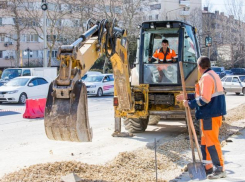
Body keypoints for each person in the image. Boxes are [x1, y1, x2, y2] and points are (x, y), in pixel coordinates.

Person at [176, 56, 227, 179]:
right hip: (210, 114)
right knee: (205, 142)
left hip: (210, 114)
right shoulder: (212, 74)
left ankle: (219, 168)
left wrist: (190, 104)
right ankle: (208, 167)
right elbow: (203, 94)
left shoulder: (206, 78)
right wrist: (188, 96)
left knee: (212, 142)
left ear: (199, 67)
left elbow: (205, 99)